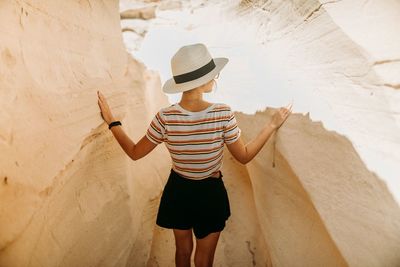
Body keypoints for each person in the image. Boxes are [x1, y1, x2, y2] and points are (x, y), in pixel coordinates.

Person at [97, 43, 292, 267]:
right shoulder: (222, 113)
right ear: (203, 80)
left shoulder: (165, 117)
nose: (215, 78)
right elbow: (244, 156)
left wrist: (112, 121)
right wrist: (272, 124)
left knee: (182, 253)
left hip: (178, 190)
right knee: (204, 260)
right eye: (213, 74)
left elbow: (134, 152)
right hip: (210, 193)